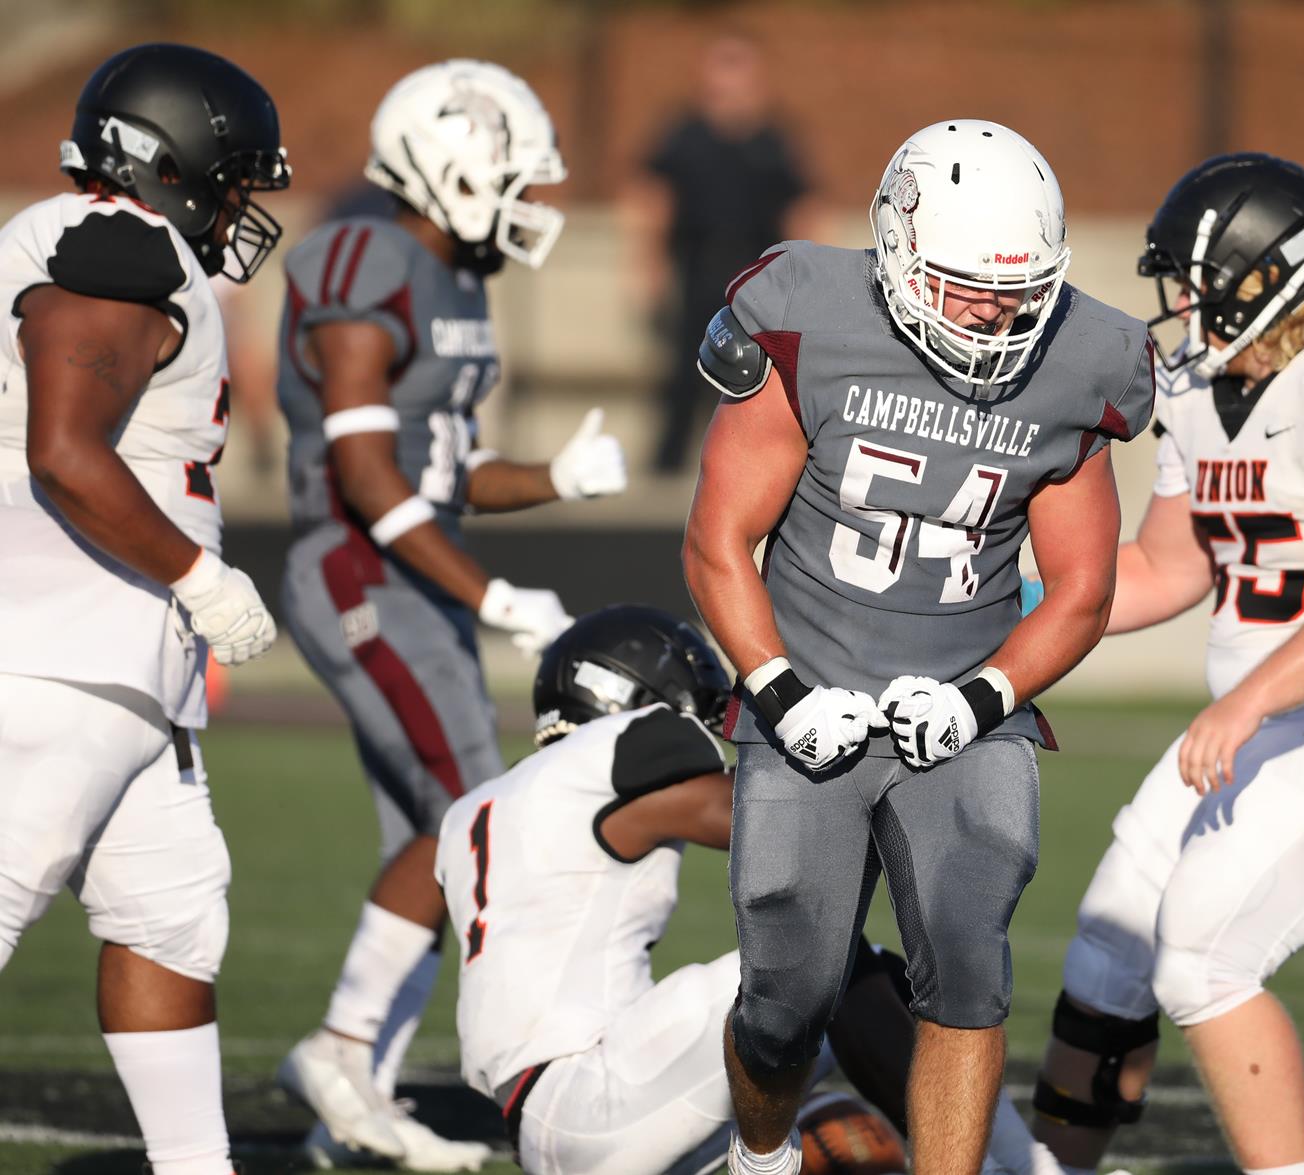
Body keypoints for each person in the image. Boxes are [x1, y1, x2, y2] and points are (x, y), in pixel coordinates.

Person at [683, 118, 1157, 1175]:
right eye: (966, 283)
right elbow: (719, 538)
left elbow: (1082, 587)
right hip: (803, 689)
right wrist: (777, 690)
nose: (996, 310)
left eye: (1020, 287)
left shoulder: (1079, 357)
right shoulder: (806, 312)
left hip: (963, 704)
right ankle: (759, 1157)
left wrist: (982, 698)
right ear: (896, 250)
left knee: (967, 956)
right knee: (785, 994)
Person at [1024, 153, 1304, 1175]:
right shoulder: (1196, 385)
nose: (1174, 303)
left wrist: (1243, 705)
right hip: (1263, 719)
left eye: (1187, 279)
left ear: (1258, 276)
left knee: (1203, 951)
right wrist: (996, 607)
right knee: (1107, 949)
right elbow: (1158, 567)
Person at [272, 59, 629, 1172]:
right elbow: (374, 480)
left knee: (430, 836)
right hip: (354, 567)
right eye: (511, 179)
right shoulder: (362, 258)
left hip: (410, 571)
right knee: (471, 810)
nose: (526, 203)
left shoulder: (454, 278)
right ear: (453, 168)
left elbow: (444, 466)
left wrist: (556, 478)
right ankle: (338, 1048)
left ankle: (358, 1086)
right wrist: (492, 594)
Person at [435, 606, 1042, 1175]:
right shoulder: (617, 749)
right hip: (592, 1095)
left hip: (550, 1125)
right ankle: (1015, 1169)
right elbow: (784, 822)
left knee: (821, 1120)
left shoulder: (472, 809)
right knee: (834, 970)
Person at [0, 42, 290, 1175]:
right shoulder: (119, 242)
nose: (234, 204)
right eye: (229, 177)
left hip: (119, 657)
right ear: (171, 160)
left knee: (173, 909)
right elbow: (66, 448)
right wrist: (198, 574)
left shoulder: (118, 243)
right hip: (62, 646)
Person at [630, 31, 811, 473]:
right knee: (683, 374)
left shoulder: (773, 141)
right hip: (697, 267)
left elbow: (801, 211)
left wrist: (803, 283)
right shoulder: (685, 135)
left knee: (758, 376)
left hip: (756, 276)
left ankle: (745, 470)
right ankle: (666, 470)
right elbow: (652, 200)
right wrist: (646, 269)